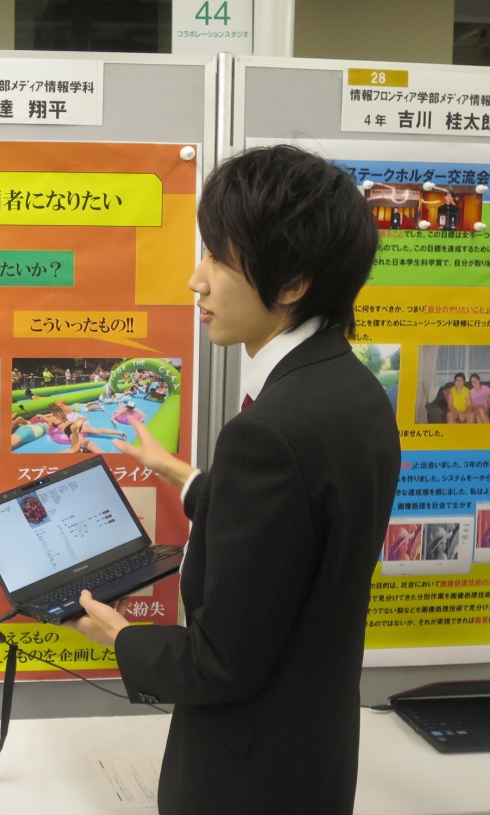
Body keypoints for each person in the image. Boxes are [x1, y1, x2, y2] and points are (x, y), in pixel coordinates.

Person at [67, 144, 400, 815]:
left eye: (219, 258)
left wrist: (119, 635)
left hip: (246, 775)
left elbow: (218, 663)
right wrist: (180, 475)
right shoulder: (353, 390)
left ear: (294, 281)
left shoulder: (269, 432)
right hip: (312, 751)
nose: (197, 279)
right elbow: (299, 533)